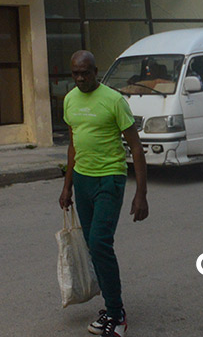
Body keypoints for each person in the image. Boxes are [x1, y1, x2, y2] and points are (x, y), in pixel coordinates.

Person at [59, 50, 148, 337]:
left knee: (100, 243)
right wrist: (67, 186)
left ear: (96, 72)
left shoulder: (114, 100)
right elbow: (73, 144)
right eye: (75, 73)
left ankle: (117, 314)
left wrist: (141, 194)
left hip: (109, 179)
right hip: (82, 179)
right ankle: (110, 309)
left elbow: (136, 147)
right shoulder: (70, 100)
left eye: (85, 73)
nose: (80, 78)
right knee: (91, 244)